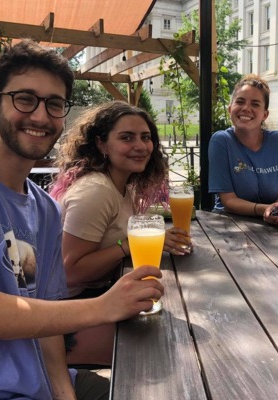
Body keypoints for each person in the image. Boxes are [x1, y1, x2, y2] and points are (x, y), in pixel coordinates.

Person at [0, 40, 164, 400]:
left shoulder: (45, 210)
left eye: (54, 104)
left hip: (41, 382)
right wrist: (103, 306)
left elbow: (48, 322)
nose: (40, 115)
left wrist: (64, 394)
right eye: (24, 99)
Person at [49, 101, 190, 366]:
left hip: (99, 294)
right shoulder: (96, 191)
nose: (140, 146)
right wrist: (127, 246)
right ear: (102, 144)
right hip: (65, 314)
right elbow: (70, 273)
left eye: (145, 137)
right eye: (127, 137)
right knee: (163, 349)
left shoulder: (123, 186)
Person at [208, 74, 278, 226]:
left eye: (255, 104)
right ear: (230, 109)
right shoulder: (221, 141)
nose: (246, 108)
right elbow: (229, 201)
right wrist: (265, 209)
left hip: (274, 225)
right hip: (228, 224)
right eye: (240, 102)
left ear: (265, 115)